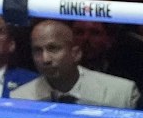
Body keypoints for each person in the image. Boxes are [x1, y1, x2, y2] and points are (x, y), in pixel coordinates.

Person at [10, 20, 141, 108]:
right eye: (37, 51)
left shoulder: (121, 93)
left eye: (54, 48)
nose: (45, 59)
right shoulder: (20, 98)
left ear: (76, 53)